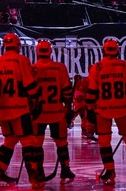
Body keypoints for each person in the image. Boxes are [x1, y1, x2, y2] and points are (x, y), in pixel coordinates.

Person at [85, 39, 126, 186]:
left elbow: (91, 92)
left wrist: (89, 109)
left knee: (104, 142)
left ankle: (110, 171)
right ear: (117, 50)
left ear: (104, 50)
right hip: (122, 108)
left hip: (103, 109)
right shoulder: (125, 66)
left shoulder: (97, 67)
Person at [0, 33, 44, 188]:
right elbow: (30, 85)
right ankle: (33, 178)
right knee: (28, 142)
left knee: (9, 141)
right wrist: (37, 100)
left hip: (3, 110)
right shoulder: (21, 60)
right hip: (19, 108)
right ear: (18, 45)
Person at [31, 40, 76, 184]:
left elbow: (28, 93)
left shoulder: (32, 69)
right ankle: (65, 169)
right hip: (56, 112)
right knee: (61, 142)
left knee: (37, 143)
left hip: (38, 114)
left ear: (37, 52)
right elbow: (67, 92)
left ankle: (38, 171)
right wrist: (68, 107)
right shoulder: (60, 68)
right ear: (50, 51)